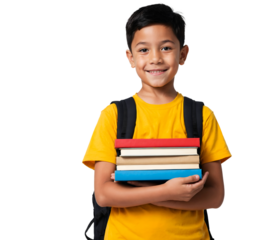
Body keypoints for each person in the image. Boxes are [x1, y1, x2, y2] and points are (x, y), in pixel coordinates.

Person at [81, 1, 233, 239]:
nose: (155, 59)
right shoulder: (113, 115)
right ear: (129, 58)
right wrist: (167, 191)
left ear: (183, 54)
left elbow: (215, 198)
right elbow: (103, 193)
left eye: (165, 48)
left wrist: (144, 190)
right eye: (143, 50)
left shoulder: (202, 115)